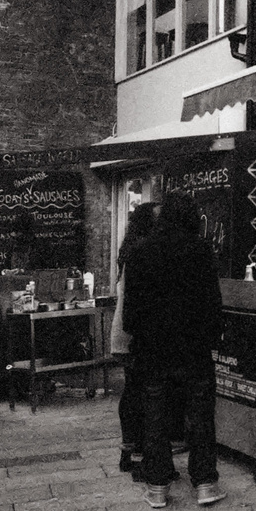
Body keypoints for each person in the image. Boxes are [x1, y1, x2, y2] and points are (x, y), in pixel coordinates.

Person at [124, 192, 225, 509]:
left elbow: (130, 315)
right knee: (201, 418)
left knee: (155, 419)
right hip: (193, 351)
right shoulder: (201, 250)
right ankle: (205, 483)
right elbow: (213, 303)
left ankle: (157, 487)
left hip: (153, 352)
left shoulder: (139, 253)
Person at [112, 202, 159, 478]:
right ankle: (139, 453)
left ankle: (129, 450)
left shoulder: (130, 248)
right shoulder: (142, 252)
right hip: (134, 331)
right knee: (139, 391)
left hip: (126, 329)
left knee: (132, 389)